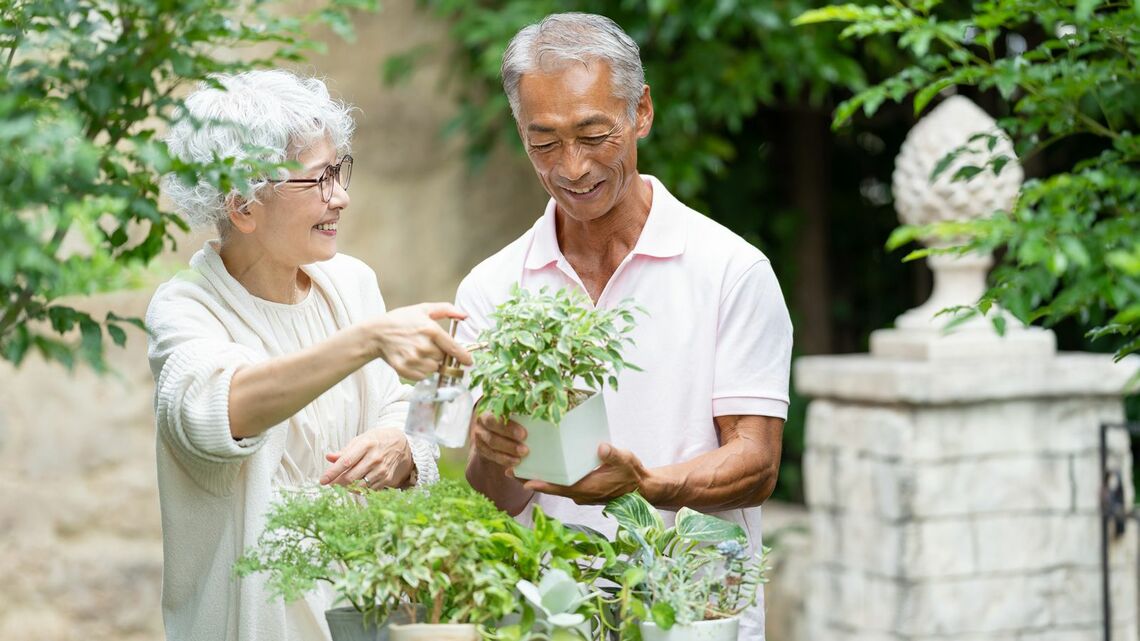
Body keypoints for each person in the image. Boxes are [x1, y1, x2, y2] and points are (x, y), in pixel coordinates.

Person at [456, 13, 792, 640]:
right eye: (545, 143)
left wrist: (647, 486)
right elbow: (494, 500)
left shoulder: (731, 270)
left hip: (694, 615)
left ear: (641, 112)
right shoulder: (490, 288)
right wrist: (492, 452)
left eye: (593, 134)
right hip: (551, 618)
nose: (573, 167)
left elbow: (757, 463)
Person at [147, 69, 470, 641]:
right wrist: (367, 340)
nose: (340, 196)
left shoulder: (351, 282)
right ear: (243, 206)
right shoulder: (186, 309)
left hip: (375, 611)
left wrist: (401, 443)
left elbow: (417, 411)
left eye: (339, 171)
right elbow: (214, 413)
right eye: (318, 180)